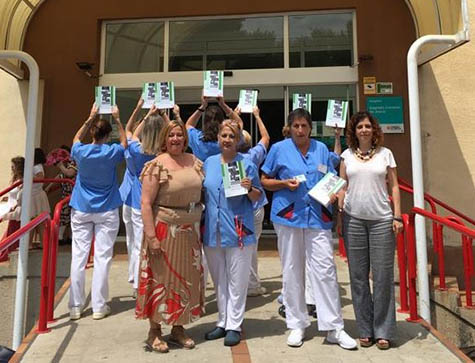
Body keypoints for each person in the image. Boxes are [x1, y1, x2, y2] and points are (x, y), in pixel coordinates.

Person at [261, 108, 356, 349]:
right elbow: (264, 181)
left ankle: (334, 327)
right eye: (296, 126)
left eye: (304, 126)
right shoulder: (279, 149)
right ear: (290, 128)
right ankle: (296, 324)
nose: (300, 130)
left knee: (325, 270)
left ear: (310, 128)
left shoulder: (321, 149)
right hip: (289, 216)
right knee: (292, 270)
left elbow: (332, 177)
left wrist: (335, 193)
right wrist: (283, 183)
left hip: (318, 217)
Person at [137, 119, 204, 353]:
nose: (176, 139)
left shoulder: (195, 162)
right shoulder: (155, 165)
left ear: (185, 138)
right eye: (171, 135)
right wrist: (152, 237)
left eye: (179, 135)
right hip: (163, 230)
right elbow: (145, 204)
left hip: (190, 232)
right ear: (164, 139)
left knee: (184, 280)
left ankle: (178, 327)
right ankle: (154, 331)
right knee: (161, 280)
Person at [338, 111, 402, 350]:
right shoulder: (346, 156)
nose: (364, 130)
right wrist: (339, 208)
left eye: (367, 126)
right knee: (358, 277)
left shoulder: (386, 155)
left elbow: (394, 187)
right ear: (353, 132)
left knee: (383, 276)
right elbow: (342, 186)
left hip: (382, 222)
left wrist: (397, 216)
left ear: (374, 130)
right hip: (353, 221)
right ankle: (365, 329)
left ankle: (384, 330)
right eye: (359, 127)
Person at [202, 120, 263, 347]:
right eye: (224, 136)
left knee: (237, 280)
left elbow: (258, 197)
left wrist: (249, 188)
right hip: (213, 229)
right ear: (218, 138)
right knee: (219, 281)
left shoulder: (246, 163)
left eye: (231, 137)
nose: (227, 140)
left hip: (237, 228)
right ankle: (222, 321)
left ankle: (234, 325)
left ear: (238, 141)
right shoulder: (208, 163)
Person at [68, 103, 126, 321]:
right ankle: (99, 306)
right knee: (102, 257)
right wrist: (118, 119)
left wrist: (89, 117)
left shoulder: (80, 151)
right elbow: (125, 143)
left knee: (79, 257)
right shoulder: (111, 152)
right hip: (107, 209)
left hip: (82, 208)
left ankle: (75, 306)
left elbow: (75, 139)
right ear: (107, 134)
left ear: (92, 132)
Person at [125, 104, 166, 298]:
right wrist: (167, 117)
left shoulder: (136, 149)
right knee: (158, 243)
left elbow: (129, 132)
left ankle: (137, 283)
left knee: (136, 244)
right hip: (159, 203)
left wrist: (145, 113)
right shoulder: (164, 154)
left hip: (137, 202)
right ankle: (157, 280)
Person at [236, 106, 270, 297]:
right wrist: (257, 115)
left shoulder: (228, 157)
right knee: (251, 246)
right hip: (255, 205)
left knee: (238, 245)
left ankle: (243, 282)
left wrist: (236, 116)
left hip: (237, 206)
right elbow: (265, 138)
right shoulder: (253, 155)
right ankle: (252, 284)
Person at [185, 95, 242, 162]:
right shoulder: (227, 140)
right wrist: (223, 105)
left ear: (204, 121)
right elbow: (239, 123)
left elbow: (188, 125)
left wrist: (202, 107)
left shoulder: (197, 138)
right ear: (222, 121)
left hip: (202, 172)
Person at [45, 145, 78, 244]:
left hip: (74, 194)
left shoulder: (74, 162)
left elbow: (69, 173)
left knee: (73, 216)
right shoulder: (65, 164)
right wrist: (49, 187)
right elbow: (60, 176)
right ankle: (60, 237)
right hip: (66, 193)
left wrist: (60, 166)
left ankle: (72, 237)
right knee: (64, 215)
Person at [0, 156, 25, 261]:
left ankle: (7, 252)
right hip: (9, 207)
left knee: (13, 231)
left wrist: (14, 207)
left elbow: (20, 195)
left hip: (15, 209)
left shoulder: (23, 180)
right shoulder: (15, 179)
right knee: (10, 231)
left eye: (13, 166)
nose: (12, 168)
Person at [31, 148, 51, 247]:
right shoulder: (36, 166)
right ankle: (31, 243)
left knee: (38, 221)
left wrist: (28, 178)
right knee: (33, 221)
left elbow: (41, 178)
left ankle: (44, 243)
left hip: (36, 195)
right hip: (34, 195)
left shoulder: (37, 167)